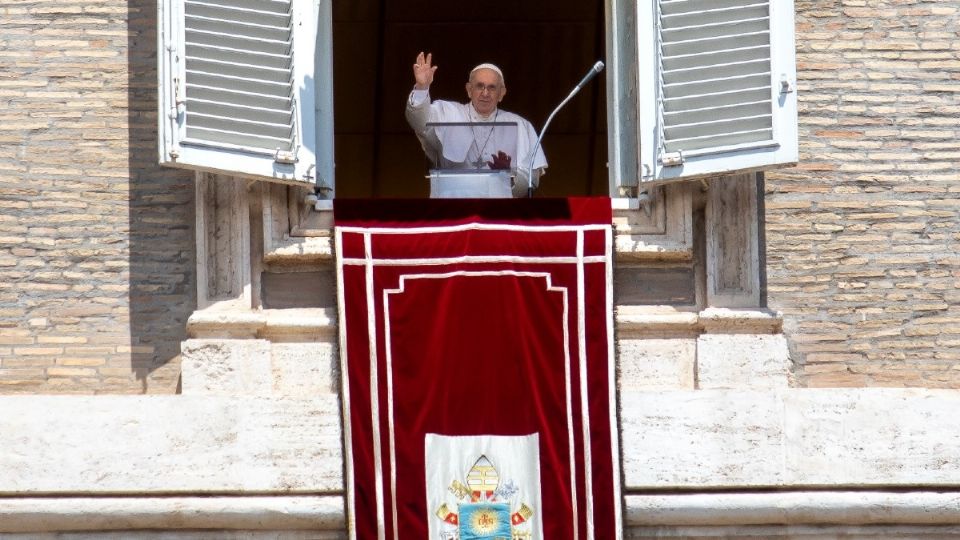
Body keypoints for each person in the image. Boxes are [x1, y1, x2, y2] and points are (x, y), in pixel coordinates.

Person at [405, 52, 547, 198]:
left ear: (502, 93)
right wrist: (422, 87)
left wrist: (509, 176)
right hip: (452, 206)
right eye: (479, 86)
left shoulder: (521, 125)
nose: (485, 93)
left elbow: (531, 179)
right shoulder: (446, 112)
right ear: (469, 89)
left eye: (492, 87)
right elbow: (418, 122)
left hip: (497, 210)